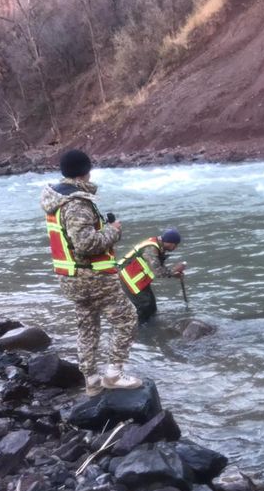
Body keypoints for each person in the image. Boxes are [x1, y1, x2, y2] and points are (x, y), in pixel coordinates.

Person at [40, 149, 141, 395]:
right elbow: (86, 244)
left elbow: (74, 241)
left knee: (86, 326)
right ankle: (114, 375)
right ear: (86, 171)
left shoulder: (56, 201)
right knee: (127, 319)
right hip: (92, 276)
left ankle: (91, 380)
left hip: (71, 278)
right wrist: (114, 231)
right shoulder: (76, 203)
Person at [118, 229, 186, 324]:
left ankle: (151, 327)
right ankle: (141, 331)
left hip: (138, 279)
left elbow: (158, 266)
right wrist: (175, 269)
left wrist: (174, 274)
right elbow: (158, 271)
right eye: (175, 244)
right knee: (144, 307)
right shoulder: (151, 248)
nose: (175, 247)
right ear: (169, 242)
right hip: (128, 279)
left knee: (152, 306)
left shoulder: (157, 245)